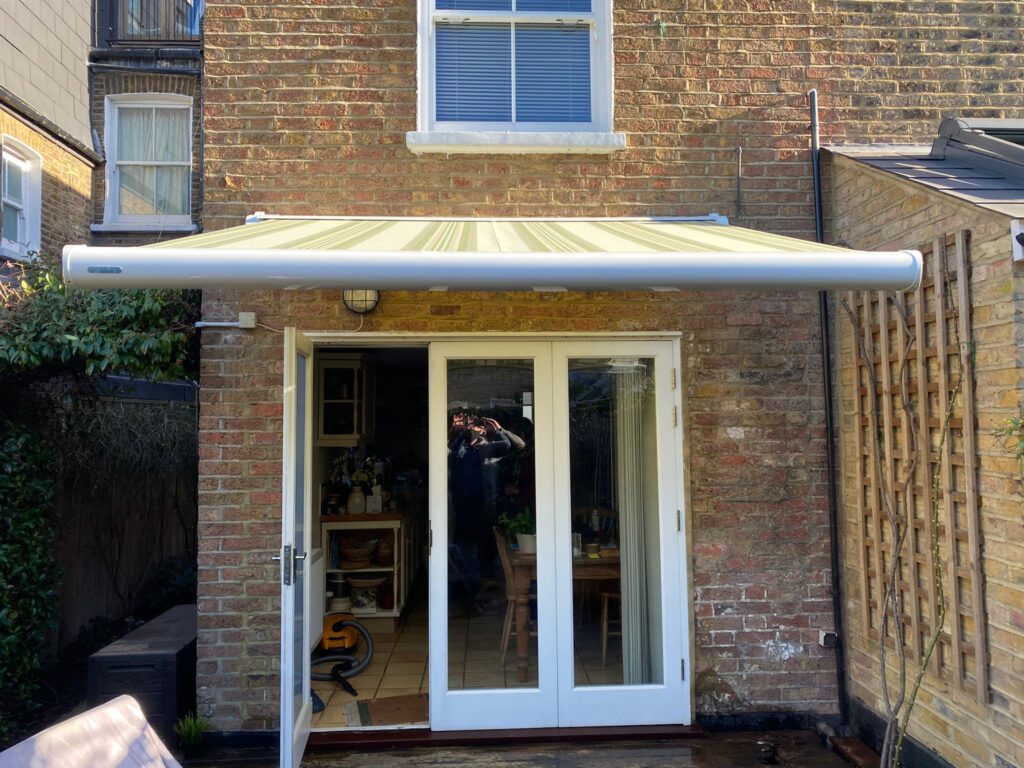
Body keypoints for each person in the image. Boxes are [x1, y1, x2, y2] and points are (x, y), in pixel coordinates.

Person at [448, 413, 520, 596]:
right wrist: (453, 432)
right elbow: (441, 452)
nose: (474, 429)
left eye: (478, 426)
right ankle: (462, 588)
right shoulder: (458, 448)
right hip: (460, 505)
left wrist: (499, 430)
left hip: (483, 505)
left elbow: (518, 445)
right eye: (470, 426)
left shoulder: (488, 449)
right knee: (461, 546)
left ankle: (479, 585)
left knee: (482, 546)